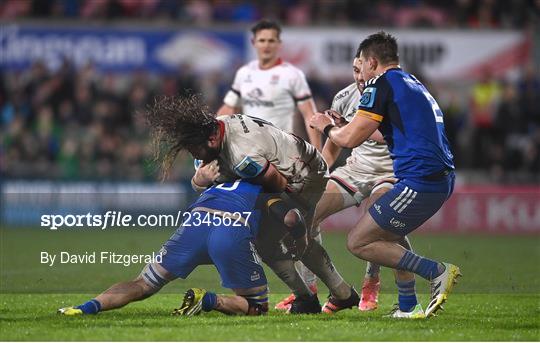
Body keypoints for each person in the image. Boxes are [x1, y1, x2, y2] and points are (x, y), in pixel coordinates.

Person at [145, 93, 360, 314]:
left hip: (303, 177)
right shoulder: (216, 128)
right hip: (288, 167)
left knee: (283, 237)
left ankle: (314, 297)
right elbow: (212, 178)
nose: (196, 156)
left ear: (211, 140)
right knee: (277, 238)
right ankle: (337, 294)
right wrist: (199, 181)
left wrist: (209, 184)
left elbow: (277, 185)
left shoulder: (242, 154)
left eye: (194, 150)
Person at [310, 31, 461, 318]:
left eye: (362, 65)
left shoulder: (380, 84)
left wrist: (326, 126)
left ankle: (436, 271)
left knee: (359, 241)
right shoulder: (410, 82)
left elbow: (352, 139)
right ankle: (407, 306)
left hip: (420, 180)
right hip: (433, 176)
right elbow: (379, 132)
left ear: (372, 62)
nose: (360, 73)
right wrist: (346, 124)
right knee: (386, 232)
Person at [58, 179, 308, 316]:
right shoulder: (262, 189)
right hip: (230, 230)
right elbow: (290, 219)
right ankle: (210, 301)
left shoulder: (217, 182)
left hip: (193, 225)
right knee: (256, 306)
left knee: (143, 284)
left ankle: (85, 308)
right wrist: (299, 240)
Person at [217, 19, 322, 309]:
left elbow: (309, 112)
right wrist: (209, 137)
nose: (266, 45)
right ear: (254, 43)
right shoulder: (244, 74)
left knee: (301, 223)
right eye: (261, 41)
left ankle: (309, 287)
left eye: (271, 41)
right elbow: (227, 110)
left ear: (279, 44)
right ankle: (300, 289)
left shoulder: (292, 75)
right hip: (255, 160)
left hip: (285, 158)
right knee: (267, 226)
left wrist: (320, 154)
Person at [312, 54, 420, 317]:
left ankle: (392, 290)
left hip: (391, 172)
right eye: (354, 70)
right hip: (356, 171)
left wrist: (343, 127)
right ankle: (327, 290)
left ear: (375, 68)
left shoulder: (398, 93)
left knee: (384, 224)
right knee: (307, 213)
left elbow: (387, 135)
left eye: (363, 70)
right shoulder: (344, 97)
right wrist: (312, 174)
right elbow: (332, 148)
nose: (359, 77)